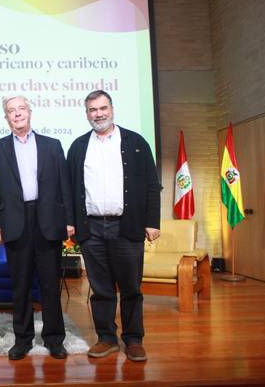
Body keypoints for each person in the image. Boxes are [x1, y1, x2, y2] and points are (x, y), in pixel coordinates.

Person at [67, 90, 161, 362]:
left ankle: (133, 340)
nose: (98, 114)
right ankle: (106, 338)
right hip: (92, 228)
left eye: (103, 108)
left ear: (112, 109)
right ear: (87, 114)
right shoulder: (78, 147)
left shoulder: (135, 142)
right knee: (101, 288)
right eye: (92, 110)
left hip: (126, 226)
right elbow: (71, 189)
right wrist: (71, 223)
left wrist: (152, 222)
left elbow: (152, 185)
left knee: (131, 288)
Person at [0, 95, 74, 361]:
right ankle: (22, 339)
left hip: (47, 220)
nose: (17, 114)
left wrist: (69, 220)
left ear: (30, 112)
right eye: (11, 111)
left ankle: (54, 338)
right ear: (6, 118)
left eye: (21, 109)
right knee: (20, 286)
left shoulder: (52, 145)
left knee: (49, 284)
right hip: (14, 221)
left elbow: (64, 186)